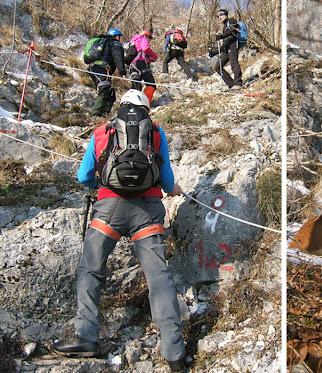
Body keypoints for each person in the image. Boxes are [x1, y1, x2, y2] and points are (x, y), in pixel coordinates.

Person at [50, 89, 186, 373]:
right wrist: (174, 189)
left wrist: (100, 185)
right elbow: (166, 179)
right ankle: (174, 352)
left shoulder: (103, 132)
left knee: (91, 268)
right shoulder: (157, 133)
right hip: (147, 211)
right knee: (158, 276)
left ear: (120, 106)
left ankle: (86, 336)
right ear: (147, 110)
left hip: (108, 209)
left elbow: (83, 176)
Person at [87, 28, 127, 123]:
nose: (123, 41)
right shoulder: (115, 43)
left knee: (110, 93)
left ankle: (103, 116)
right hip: (102, 68)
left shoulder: (104, 43)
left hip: (94, 68)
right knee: (105, 89)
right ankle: (95, 115)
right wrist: (122, 73)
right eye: (122, 38)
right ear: (117, 36)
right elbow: (118, 58)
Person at [210, 9, 243, 90]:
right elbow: (225, 42)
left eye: (221, 14)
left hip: (233, 45)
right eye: (218, 16)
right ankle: (231, 84)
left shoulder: (231, 20)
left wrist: (221, 36)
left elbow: (232, 31)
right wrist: (215, 52)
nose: (219, 17)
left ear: (226, 14)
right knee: (218, 67)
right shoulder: (224, 26)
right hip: (226, 48)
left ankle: (238, 83)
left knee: (234, 64)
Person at [129, 30, 158, 104]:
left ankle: (133, 102)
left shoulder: (133, 42)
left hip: (133, 65)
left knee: (136, 85)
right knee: (151, 84)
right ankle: (146, 101)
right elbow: (145, 49)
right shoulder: (143, 38)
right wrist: (155, 56)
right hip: (142, 63)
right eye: (149, 39)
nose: (149, 41)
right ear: (146, 36)